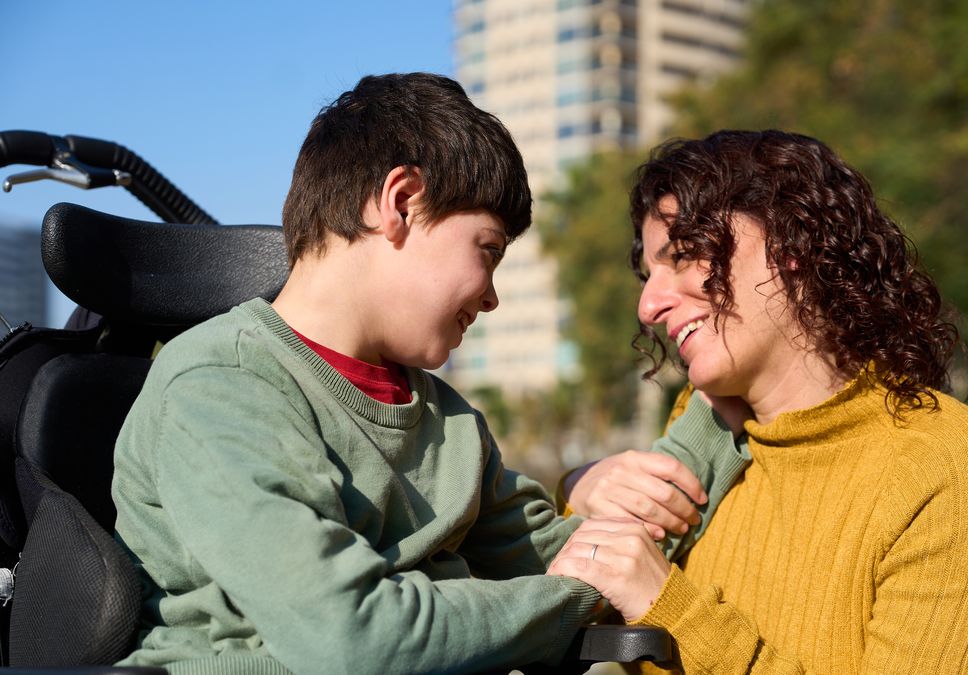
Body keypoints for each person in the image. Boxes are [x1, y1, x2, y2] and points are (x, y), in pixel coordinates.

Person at [110, 73, 745, 675]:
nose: (492, 296)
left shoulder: (447, 420)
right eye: (488, 251)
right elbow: (352, 637)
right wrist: (567, 596)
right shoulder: (221, 387)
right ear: (402, 203)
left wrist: (725, 407)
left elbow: (584, 559)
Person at [548, 130, 968, 673]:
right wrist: (581, 485)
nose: (648, 306)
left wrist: (674, 614)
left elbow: (650, 592)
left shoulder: (954, 469)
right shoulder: (707, 433)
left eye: (685, 254)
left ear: (792, 244)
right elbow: (570, 597)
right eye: (649, 274)